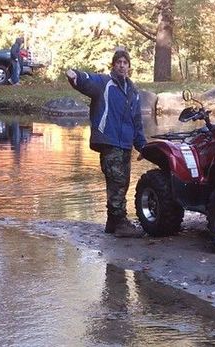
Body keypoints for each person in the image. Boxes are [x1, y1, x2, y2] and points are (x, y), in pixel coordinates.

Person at [66, 48, 147, 237]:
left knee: (123, 182)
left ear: (129, 66)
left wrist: (142, 146)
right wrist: (74, 75)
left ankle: (112, 222)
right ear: (113, 65)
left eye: (125, 62)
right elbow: (86, 80)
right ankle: (120, 223)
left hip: (125, 143)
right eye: (118, 62)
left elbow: (137, 122)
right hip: (109, 141)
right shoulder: (104, 83)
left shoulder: (133, 91)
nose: (122, 65)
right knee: (117, 181)